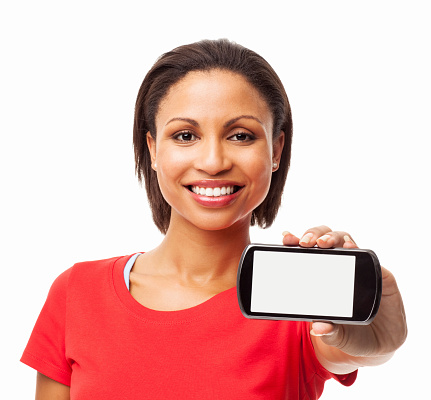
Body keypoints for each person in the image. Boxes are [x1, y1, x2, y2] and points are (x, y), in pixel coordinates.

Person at [21, 39, 407, 399]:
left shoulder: (300, 308)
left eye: (240, 136)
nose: (212, 162)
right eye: (186, 136)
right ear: (153, 148)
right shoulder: (77, 293)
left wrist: (378, 342)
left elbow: (350, 352)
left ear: (276, 150)